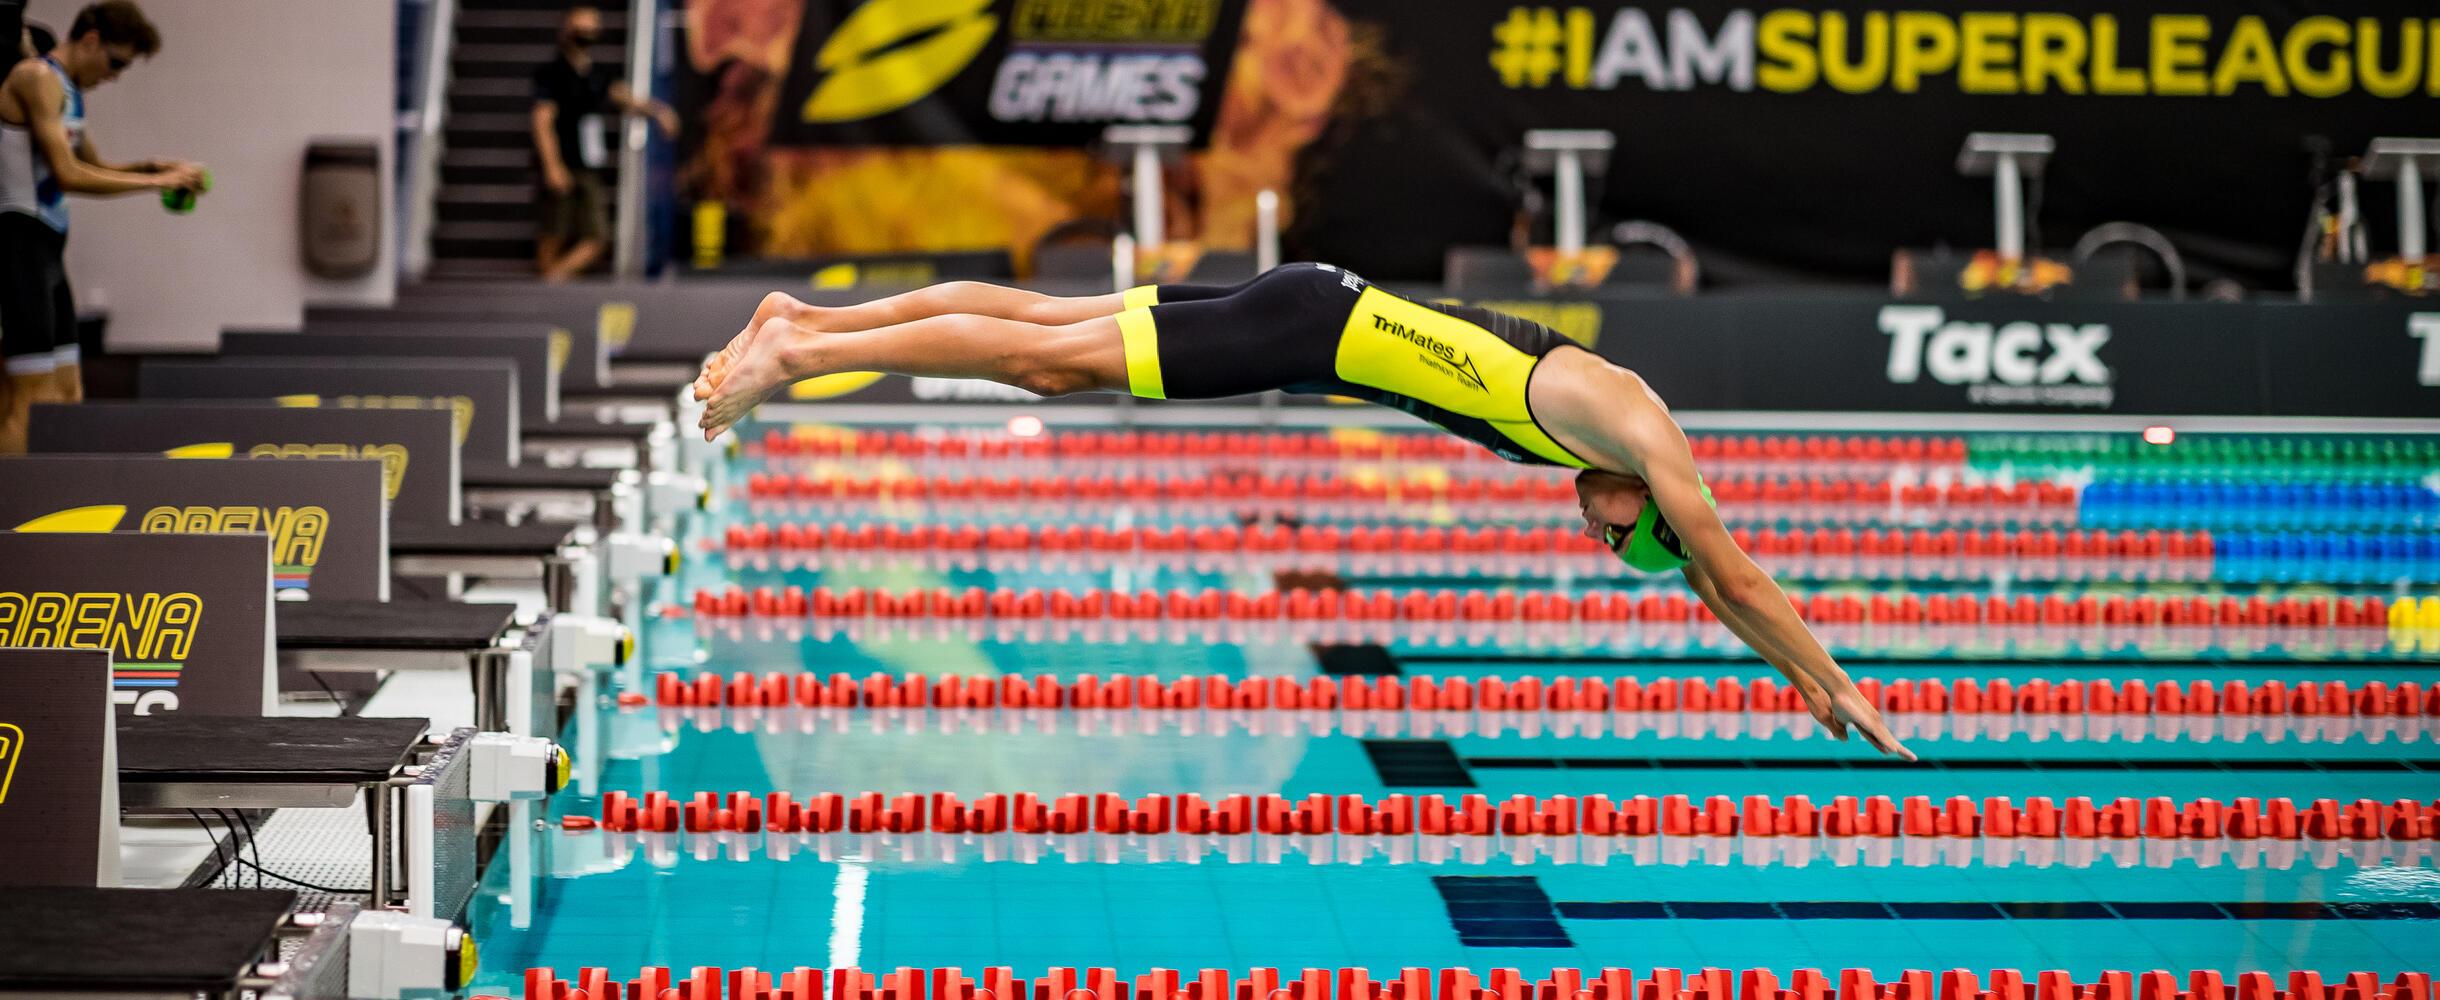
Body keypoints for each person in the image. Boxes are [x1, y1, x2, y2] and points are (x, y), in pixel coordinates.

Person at [691, 264, 1918, 760]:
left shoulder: (1619, 458)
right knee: (1047, 365)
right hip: (1310, 327)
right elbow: (1729, 572)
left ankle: (803, 320)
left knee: (1049, 322)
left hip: (1316, 308)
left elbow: (1707, 589)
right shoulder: (1644, 434)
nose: (1592, 532)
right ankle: (798, 358)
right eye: (1614, 533)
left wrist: (1793, 683)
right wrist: (1836, 677)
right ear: (1648, 505)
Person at [0, 0, 201, 452]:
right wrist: (156, 184)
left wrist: (151, 168)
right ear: (91, 41)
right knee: (28, 403)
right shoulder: (36, 78)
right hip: (19, 249)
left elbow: (96, 165)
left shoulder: (69, 89)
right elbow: (68, 174)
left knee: (69, 393)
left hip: (49, 253)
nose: (115, 76)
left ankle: (55, 490)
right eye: (116, 63)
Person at [531, 4, 677, 282]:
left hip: (587, 164)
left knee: (597, 235)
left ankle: (552, 281)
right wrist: (552, 165)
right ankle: (546, 286)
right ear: (566, 27)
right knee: (553, 232)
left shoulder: (596, 74)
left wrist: (659, 112)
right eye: (582, 26)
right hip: (562, 160)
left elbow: (625, 98)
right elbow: (542, 121)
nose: (587, 31)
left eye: (592, 26)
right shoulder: (552, 73)